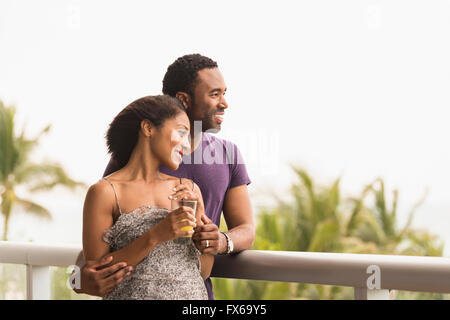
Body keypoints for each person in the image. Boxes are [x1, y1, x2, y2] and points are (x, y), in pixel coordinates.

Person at [74, 54, 255, 300]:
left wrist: (219, 241)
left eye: (224, 93)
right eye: (214, 94)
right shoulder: (123, 165)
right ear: (183, 99)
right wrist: (76, 279)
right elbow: (94, 258)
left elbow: (243, 231)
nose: (224, 103)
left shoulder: (226, 155)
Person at [82, 95, 212, 299]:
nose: (187, 145)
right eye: (181, 132)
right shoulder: (105, 192)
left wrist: (203, 234)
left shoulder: (189, 191)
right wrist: (156, 235)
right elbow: (99, 277)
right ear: (148, 128)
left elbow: (202, 271)